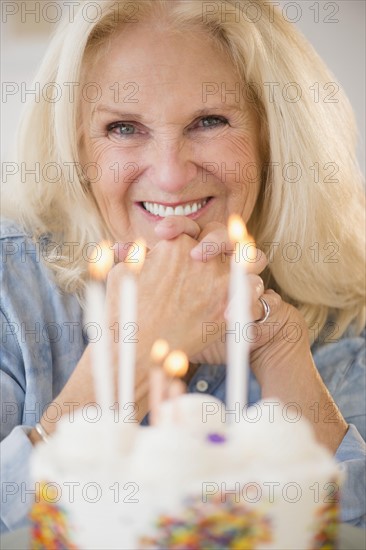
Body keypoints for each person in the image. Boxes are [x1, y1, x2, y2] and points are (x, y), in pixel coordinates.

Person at [1, 0, 365, 533]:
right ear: (78, 147)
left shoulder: (342, 312)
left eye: (209, 121)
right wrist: (135, 350)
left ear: (271, 137)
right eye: (124, 128)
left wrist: (280, 351)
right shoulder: (12, 288)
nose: (171, 175)